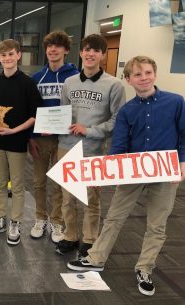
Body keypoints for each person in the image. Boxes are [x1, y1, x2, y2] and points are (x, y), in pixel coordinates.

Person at [67, 55, 185, 296]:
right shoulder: (127, 111)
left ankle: (145, 268)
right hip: (132, 170)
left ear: (155, 74)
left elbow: (183, 135)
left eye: (148, 73)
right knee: (114, 217)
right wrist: (108, 173)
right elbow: (119, 146)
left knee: (157, 223)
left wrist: (183, 162)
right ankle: (97, 257)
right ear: (129, 80)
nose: (144, 78)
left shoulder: (176, 102)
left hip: (166, 169)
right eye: (138, 75)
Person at [55, 34, 126, 257]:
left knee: (91, 198)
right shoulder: (69, 82)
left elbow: (118, 120)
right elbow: (63, 114)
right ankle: (70, 235)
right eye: (86, 49)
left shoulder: (114, 84)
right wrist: (54, 124)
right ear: (80, 53)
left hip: (93, 149)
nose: (90, 54)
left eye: (95, 50)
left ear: (103, 55)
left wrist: (90, 130)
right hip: (66, 147)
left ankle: (89, 238)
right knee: (67, 197)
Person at [0, 39, 43, 246]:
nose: (7, 58)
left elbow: (36, 115)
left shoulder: (28, 83)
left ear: (18, 56)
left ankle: (15, 222)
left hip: (17, 142)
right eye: (3, 55)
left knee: (16, 185)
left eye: (11, 54)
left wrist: (14, 130)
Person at [29, 31, 79, 243]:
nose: (53, 49)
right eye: (49, 46)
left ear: (66, 50)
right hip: (41, 138)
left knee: (59, 183)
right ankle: (40, 218)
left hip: (65, 139)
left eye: (58, 46)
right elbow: (31, 109)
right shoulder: (37, 78)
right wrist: (30, 137)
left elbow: (79, 109)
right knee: (39, 181)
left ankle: (56, 221)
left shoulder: (75, 77)